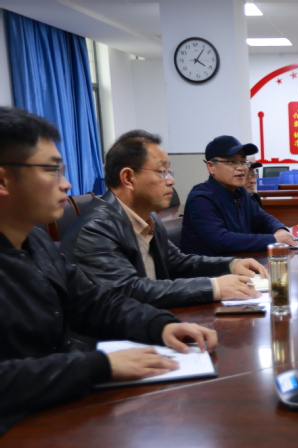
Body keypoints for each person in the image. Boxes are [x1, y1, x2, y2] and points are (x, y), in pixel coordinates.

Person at [0, 107, 217, 435]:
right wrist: (98, 365)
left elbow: (95, 302)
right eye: (51, 170)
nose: (66, 184)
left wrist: (160, 325)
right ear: (3, 180)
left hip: (55, 411)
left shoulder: (35, 241)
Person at [59, 130, 267, 308]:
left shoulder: (148, 217)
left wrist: (231, 264)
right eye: (162, 172)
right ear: (128, 178)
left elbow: (177, 262)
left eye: (169, 171)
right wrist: (213, 287)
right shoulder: (96, 228)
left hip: (149, 320)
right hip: (108, 338)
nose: (171, 180)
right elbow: (129, 291)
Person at [180, 135, 296, 256]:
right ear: (211, 167)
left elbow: (262, 218)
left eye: (243, 162)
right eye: (231, 162)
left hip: (237, 261)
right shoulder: (201, 198)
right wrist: (273, 239)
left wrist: (279, 230)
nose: (241, 168)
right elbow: (221, 241)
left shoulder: (240, 192)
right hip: (207, 266)